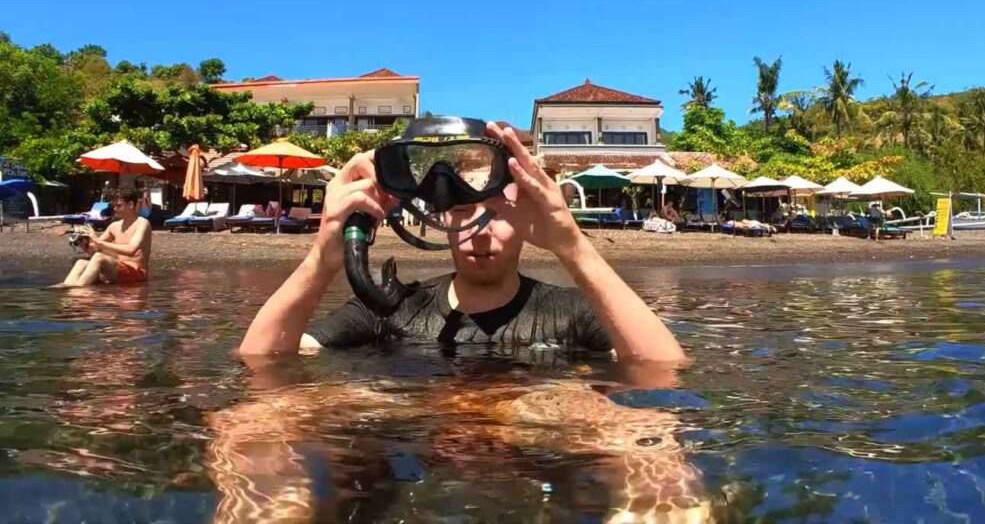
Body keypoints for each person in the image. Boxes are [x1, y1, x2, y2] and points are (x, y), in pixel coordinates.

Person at [240, 122, 687, 366]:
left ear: (529, 214)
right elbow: (260, 362)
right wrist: (321, 260)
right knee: (255, 423)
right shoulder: (393, 308)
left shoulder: (570, 312)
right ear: (441, 219)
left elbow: (664, 370)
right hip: (424, 468)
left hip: (529, 468)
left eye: (495, 210)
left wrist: (573, 246)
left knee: (645, 439)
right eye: (461, 211)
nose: (479, 229)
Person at [57, 187, 152, 287]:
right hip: (116, 269)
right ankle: (68, 289)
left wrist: (98, 242)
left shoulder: (142, 223)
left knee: (99, 257)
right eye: (114, 206)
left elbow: (131, 250)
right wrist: (83, 241)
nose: (115, 209)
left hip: (136, 272)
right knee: (81, 262)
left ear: (131, 204)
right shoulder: (114, 226)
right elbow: (93, 249)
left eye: (119, 206)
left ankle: (78, 290)